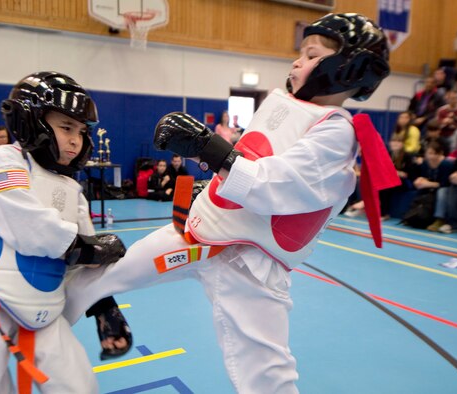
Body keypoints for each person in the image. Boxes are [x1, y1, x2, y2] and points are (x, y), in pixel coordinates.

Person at [65, 14, 396, 393]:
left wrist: (207, 147)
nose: (296, 62)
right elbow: (248, 161)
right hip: (199, 238)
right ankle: (45, 331)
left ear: (347, 68)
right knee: (103, 275)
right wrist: (210, 182)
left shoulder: (335, 132)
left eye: (310, 55)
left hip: (250, 267)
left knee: (267, 377)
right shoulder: (284, 106)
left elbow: (275, 184)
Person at [0, 72, 131, 394]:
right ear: (30, 120)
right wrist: (86, 249)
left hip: (39, 301)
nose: (76, 140)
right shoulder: (5, 160)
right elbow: (25, 220)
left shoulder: (70, 187)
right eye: (66, 127)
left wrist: (105, 309)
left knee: (76, 382)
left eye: (80, 130)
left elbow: (86, 254)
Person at [410, 140, 455, 231]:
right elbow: (424, 176)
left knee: (441, 192)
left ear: (440, 154)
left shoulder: (446, 164)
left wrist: (428, 184)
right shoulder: (426, 163)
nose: (431, 156)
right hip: (431, 187)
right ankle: (415, 214)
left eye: (434, 154)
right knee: (420, 190)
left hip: (446, 189)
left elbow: (444, 183)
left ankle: (440, 219)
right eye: (429, 153)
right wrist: (420, 180)